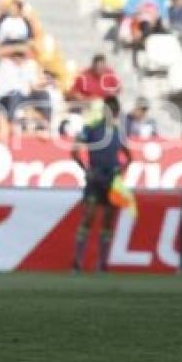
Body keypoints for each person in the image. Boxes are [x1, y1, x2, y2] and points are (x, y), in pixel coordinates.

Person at [71, 96, 131, 273]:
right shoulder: (91, 129)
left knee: (108, 221)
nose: (110, 113)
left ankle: (102, 264)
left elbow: (129, 157)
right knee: (88, 216)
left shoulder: (117, 133)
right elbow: (75, 151)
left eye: (113, 110)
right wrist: (86, 169)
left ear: (116, 113)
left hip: (111, 179)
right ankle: (77, 262)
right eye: (108, 109)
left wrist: (122, 171)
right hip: (95, 178)